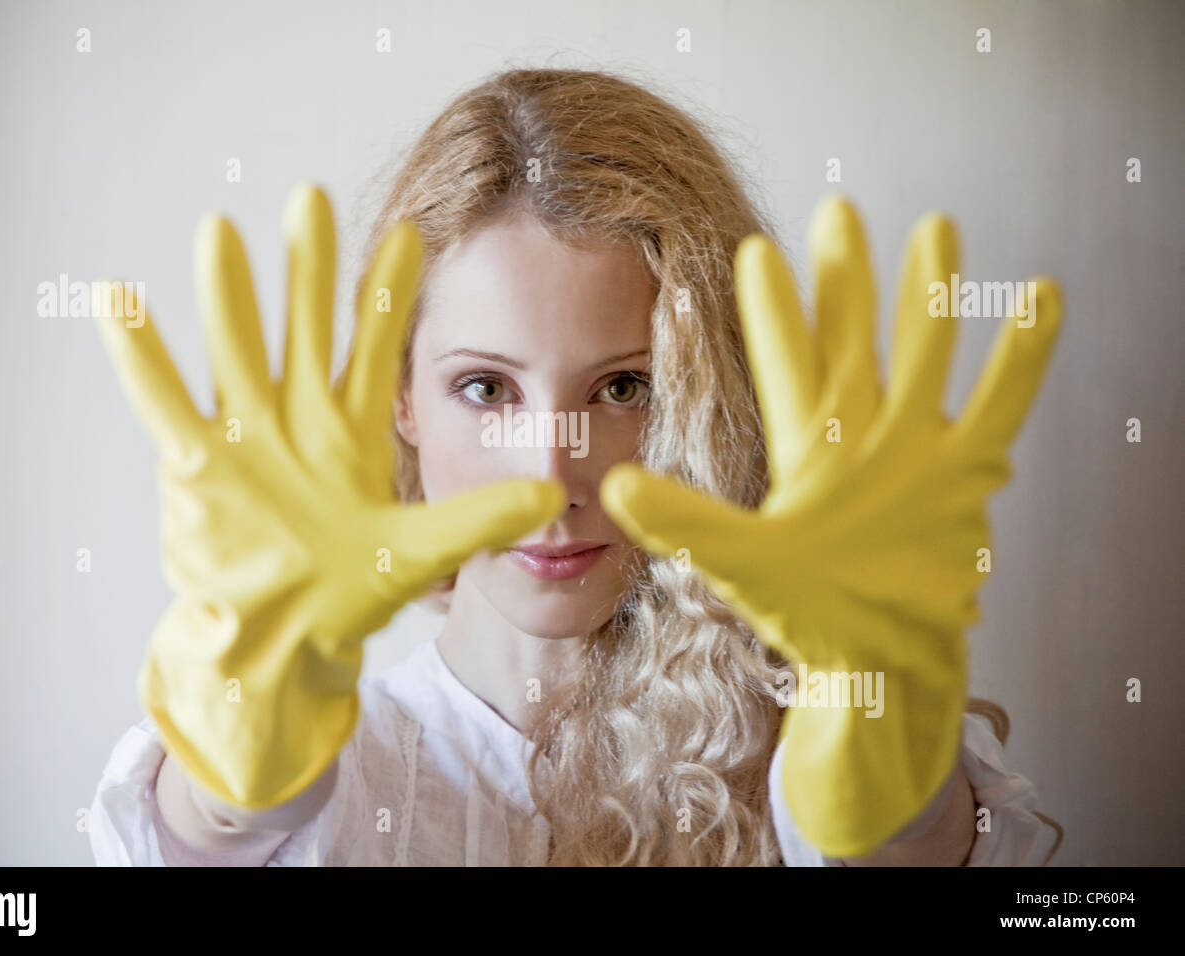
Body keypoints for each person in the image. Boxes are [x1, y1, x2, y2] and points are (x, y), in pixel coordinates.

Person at [88, 67, 1063, 866]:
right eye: (486, 388)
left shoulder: (806, 749)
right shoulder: (334, 770)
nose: (552, 474)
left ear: (708, 393)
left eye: (623, 388)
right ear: (399, 395)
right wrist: (227, 797)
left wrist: (898, 809)